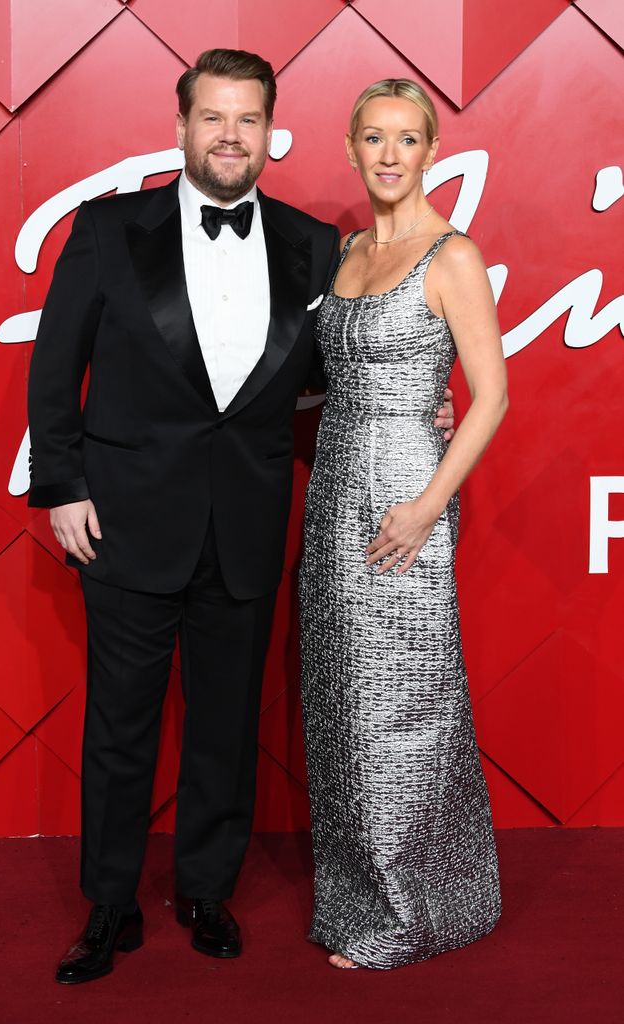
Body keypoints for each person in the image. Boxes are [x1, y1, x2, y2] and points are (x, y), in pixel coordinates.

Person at [28, 51, 454, 984]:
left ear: (270, 132)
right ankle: (109, 905)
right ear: (182, 126)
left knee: (225, 726)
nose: (230, 135)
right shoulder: (108, 228)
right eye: (214, 117)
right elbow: (55, 366)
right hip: (124, 521)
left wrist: (417, 400)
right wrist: (61, 486)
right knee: (120, 728)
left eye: (248, 119)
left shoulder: (312, 243)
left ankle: (205, 890)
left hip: (247, 524)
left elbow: (334, 364)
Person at [299, 79, 508, 970]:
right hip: (334, 493)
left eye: (408, 138)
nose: (390, 155)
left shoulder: (452, 255)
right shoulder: (347, 254)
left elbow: (491, 396)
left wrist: (427, 508)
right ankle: (357, 895)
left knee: (404, 701)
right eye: (375, 138)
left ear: (431, 152)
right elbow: (332, 376)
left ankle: (415, 911)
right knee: (342, 699)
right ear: (351, 148)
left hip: (405, 499)